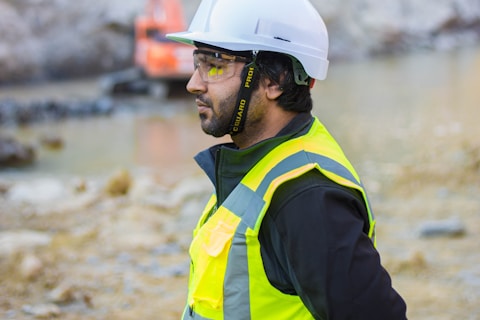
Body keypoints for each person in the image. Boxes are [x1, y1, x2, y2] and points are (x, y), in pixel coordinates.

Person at [167, 0, 407, 319]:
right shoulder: (260, 163)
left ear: (275, 80)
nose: (194, 83)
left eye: (215, 65)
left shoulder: (305, 196)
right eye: (198, 63)